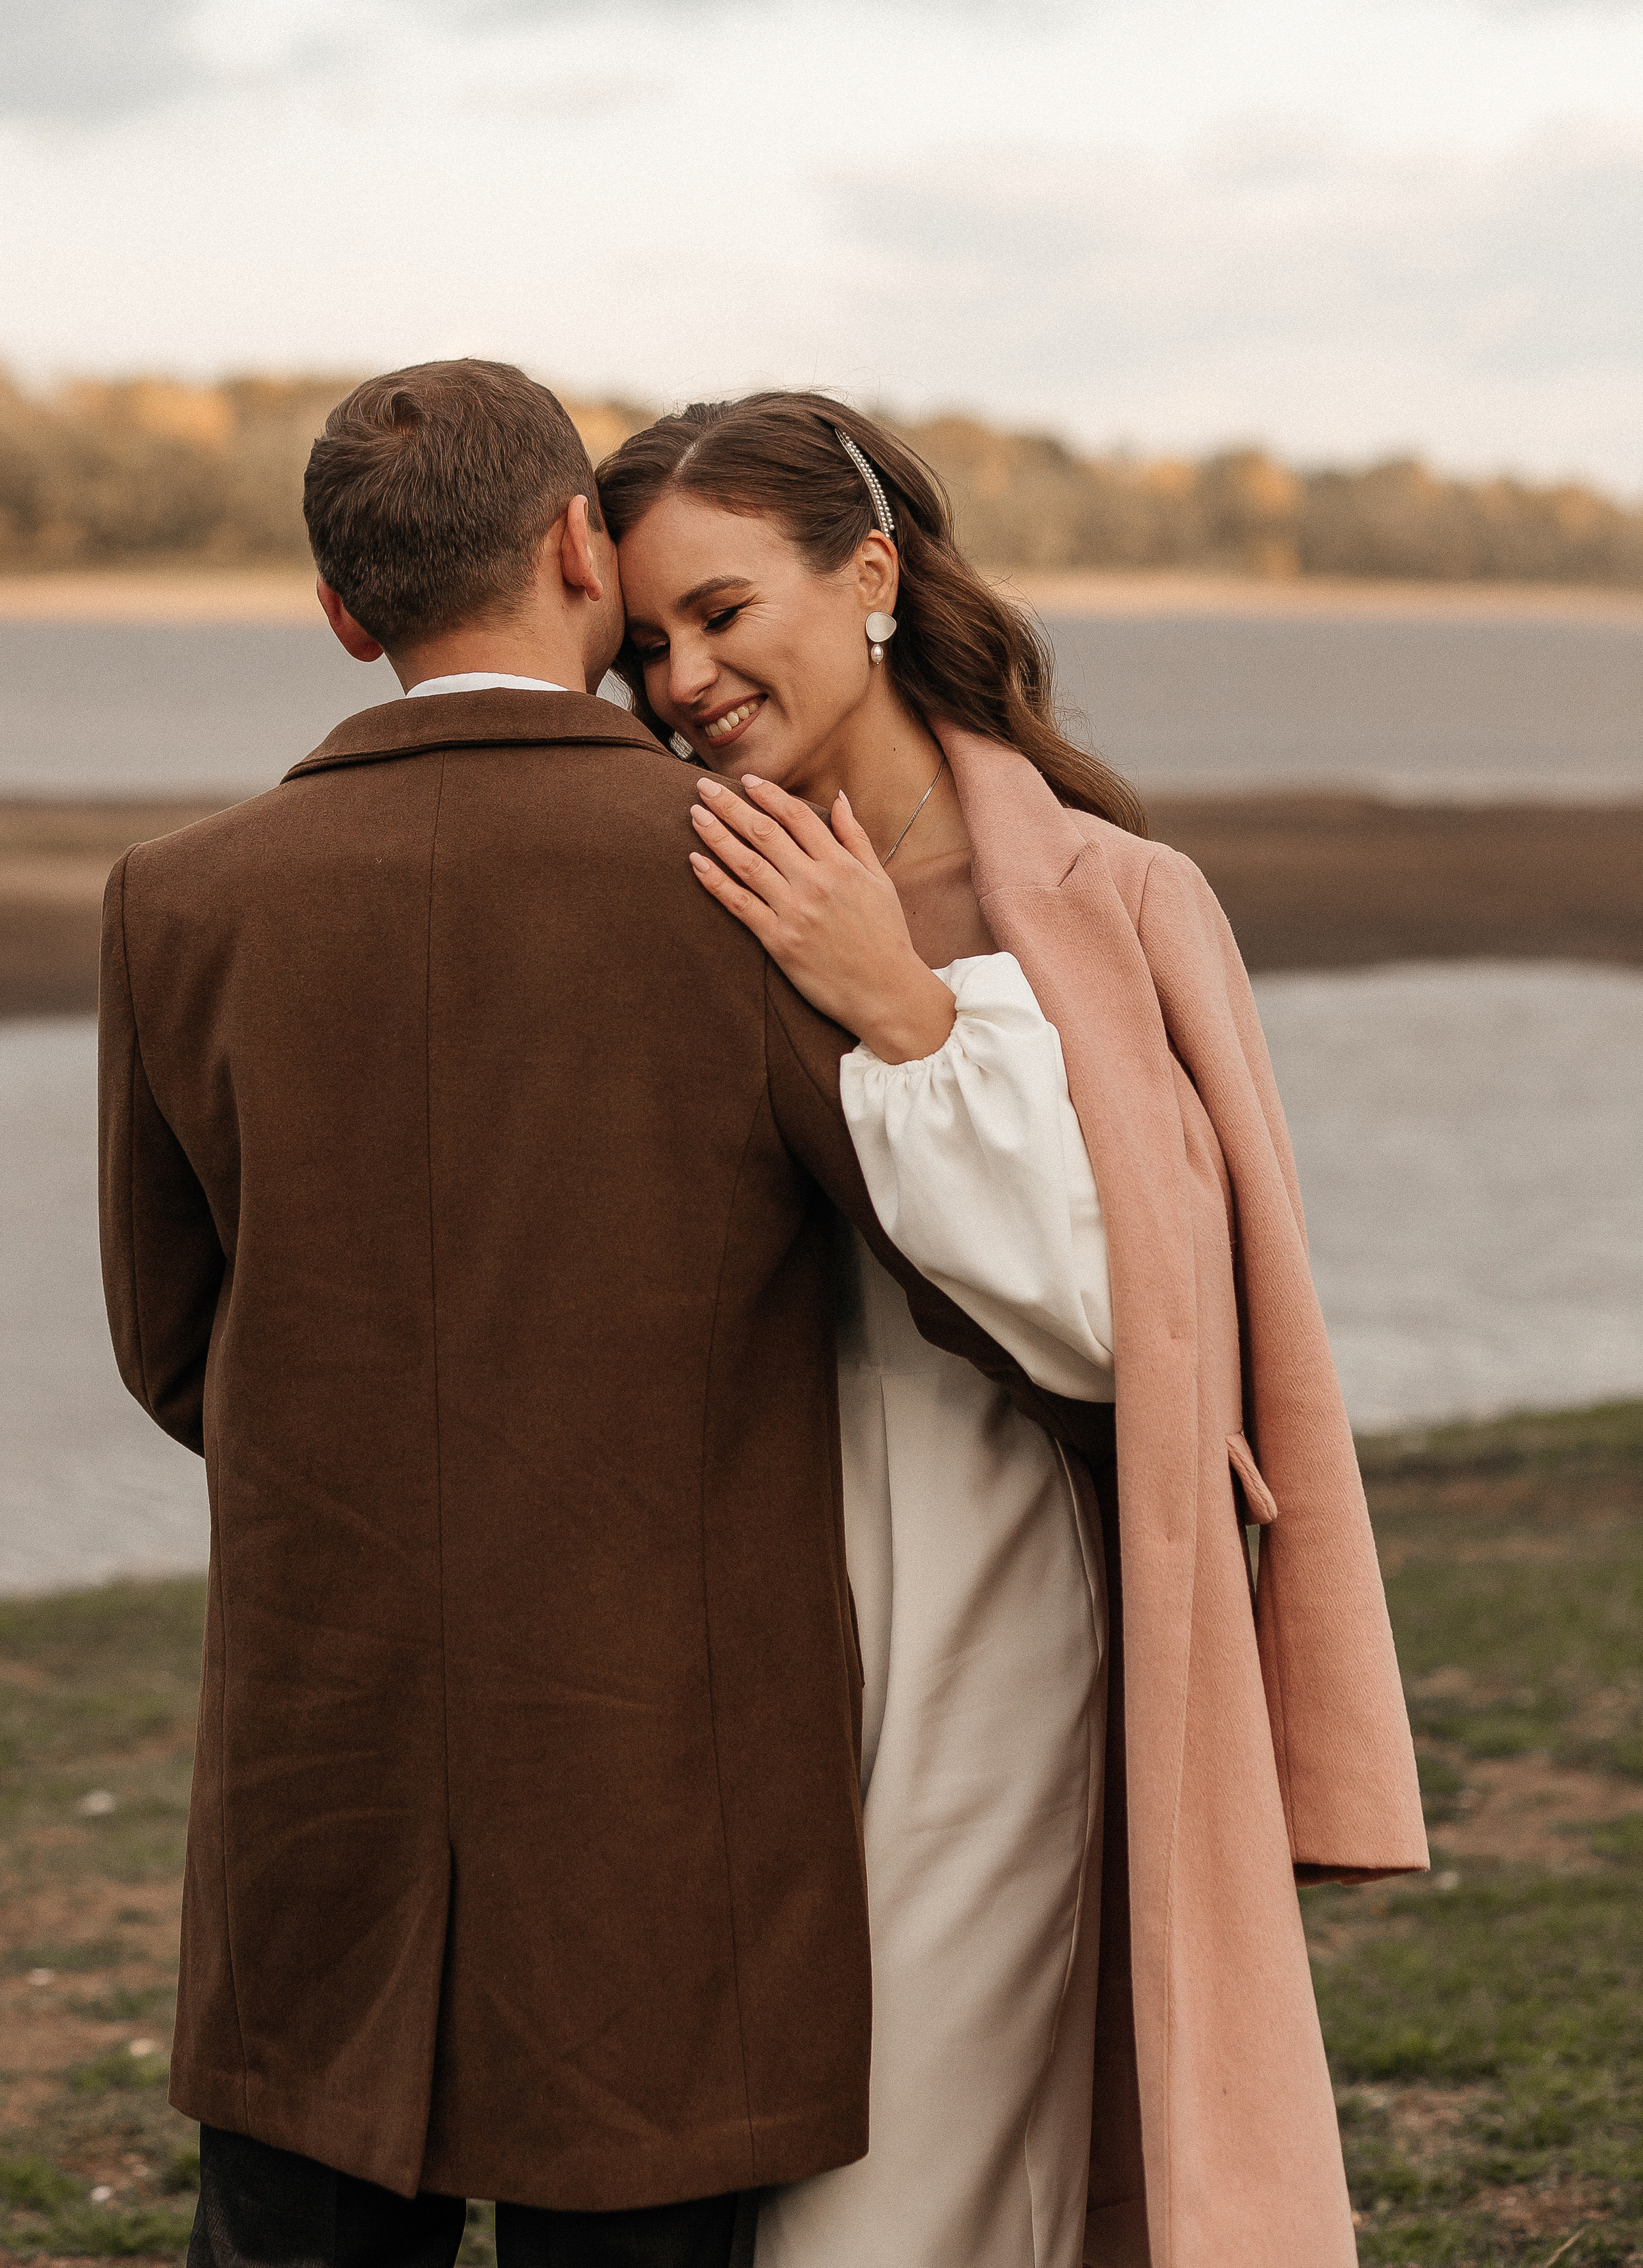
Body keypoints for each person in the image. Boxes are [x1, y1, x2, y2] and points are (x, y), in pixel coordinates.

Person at [96, 359, 1105, 2268]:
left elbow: (173, 1348)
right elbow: (953, 1276)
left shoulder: (176, 900)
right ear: (580, 548)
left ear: (339, 612)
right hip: (670, 1818)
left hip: (318, 1793)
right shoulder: (739, 868)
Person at [598, 393, 1431, 2268]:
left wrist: (902, 1012)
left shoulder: (1114, 901)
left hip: (988, 1611)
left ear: (873, 573)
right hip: (731, 1618)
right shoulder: (673, 889)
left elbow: (1144, 1326)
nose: (686, 677)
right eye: (646, 644)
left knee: (897, 2195)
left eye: (725, 612)